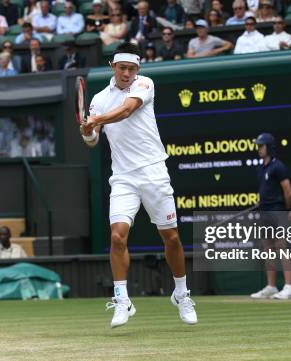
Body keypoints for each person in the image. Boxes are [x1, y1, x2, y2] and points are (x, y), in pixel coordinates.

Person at [80, 42, 197, 328]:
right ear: (113, 67)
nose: (127, 73)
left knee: (171, 238)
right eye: (123, 68)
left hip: (154, 173)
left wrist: (96, 121)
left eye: (132, 69)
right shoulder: (97, 99)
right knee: (118, 237)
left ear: (138, 69)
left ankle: (181, 293)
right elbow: (93, 141)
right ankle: (122, 300)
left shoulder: (145, 83)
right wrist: (88, 132)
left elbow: (126, 111)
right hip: (123, 178)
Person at [250, 133, 291, 300]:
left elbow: (288, 191)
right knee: (268, 248)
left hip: (278, 210)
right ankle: (271, 286)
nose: (259, 149)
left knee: (281, 246)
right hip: (265, 211)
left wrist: (287, 209)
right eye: (258, 146)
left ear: (269, 147)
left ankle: (289, 287)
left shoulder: (279, 166)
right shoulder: (261, 168)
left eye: (261, 146)